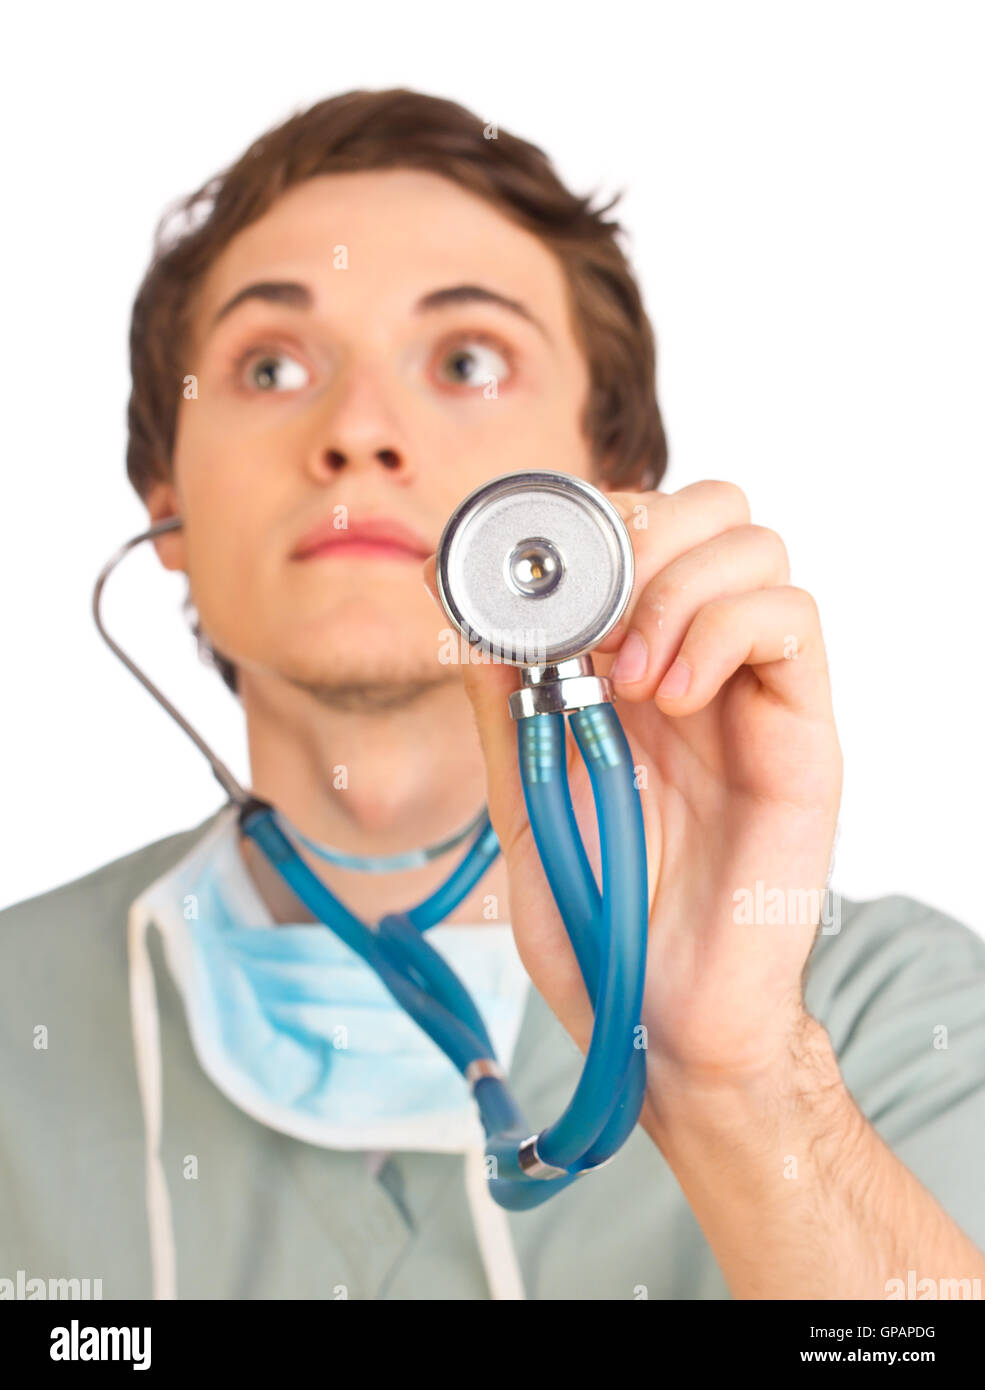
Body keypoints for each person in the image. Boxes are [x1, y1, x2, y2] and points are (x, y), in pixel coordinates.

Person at [2, 86, 984, 1303]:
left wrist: (736, 1083)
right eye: (270, 364)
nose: (360, 430)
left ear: (602, 499)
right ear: (167, 512)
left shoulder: (884, 1012)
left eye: (466, 359)